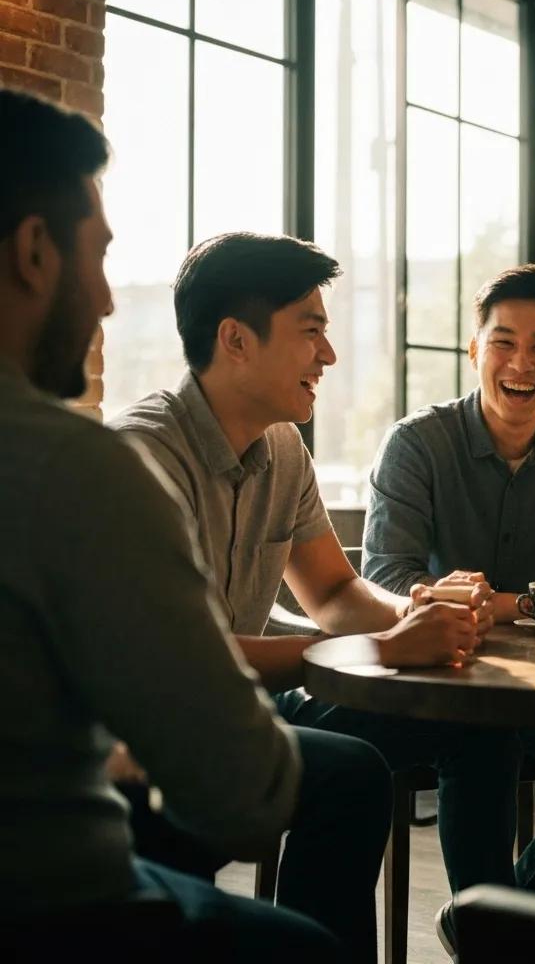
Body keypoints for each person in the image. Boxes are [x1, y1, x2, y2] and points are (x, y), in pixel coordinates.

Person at [0, 90, 344, 956]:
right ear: (35, 252)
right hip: (57, 902)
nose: (111, 301)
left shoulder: (277, 451)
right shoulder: (85, 469)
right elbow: (245, 794)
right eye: (100, 255)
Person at [110, 232, 524, 929]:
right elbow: (181, 660)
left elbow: (334, 595)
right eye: (311, 334)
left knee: (473, 718)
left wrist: (418, 609)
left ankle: (496, 939)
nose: (328, 356)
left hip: (254, 707)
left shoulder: (281, 448)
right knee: (350, 774)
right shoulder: (143, 456)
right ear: (236, 340)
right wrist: (384, 650)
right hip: (160, 736)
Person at [363, 263, 535, 937]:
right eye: (504, 341)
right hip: (440, 687)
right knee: (478, 736)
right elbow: (387, 579)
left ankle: (493, 929)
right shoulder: (417, 444)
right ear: (474, 350)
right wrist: (528, 606)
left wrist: (495, 604)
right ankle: (504, 932)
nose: (522, 362)